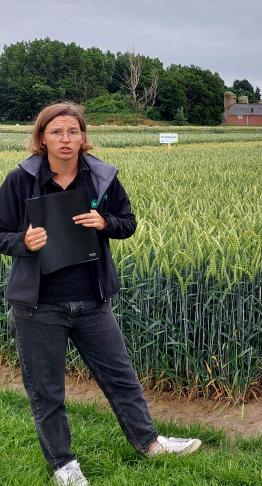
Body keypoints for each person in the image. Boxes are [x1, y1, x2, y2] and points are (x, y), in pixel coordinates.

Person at [0, 102, 201, 486]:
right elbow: (0, 233)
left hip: (92, 300)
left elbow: (128, 223)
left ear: (83, 136)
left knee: (121, 376)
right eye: (57, 131)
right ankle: (63, 464)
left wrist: (104, 222)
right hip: (38, 306)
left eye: (73, 131)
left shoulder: (101, 178)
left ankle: (149, 442)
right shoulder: (20, 179)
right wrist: (23, 241)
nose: (66, 139)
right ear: (42, 137)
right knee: (47, 391)